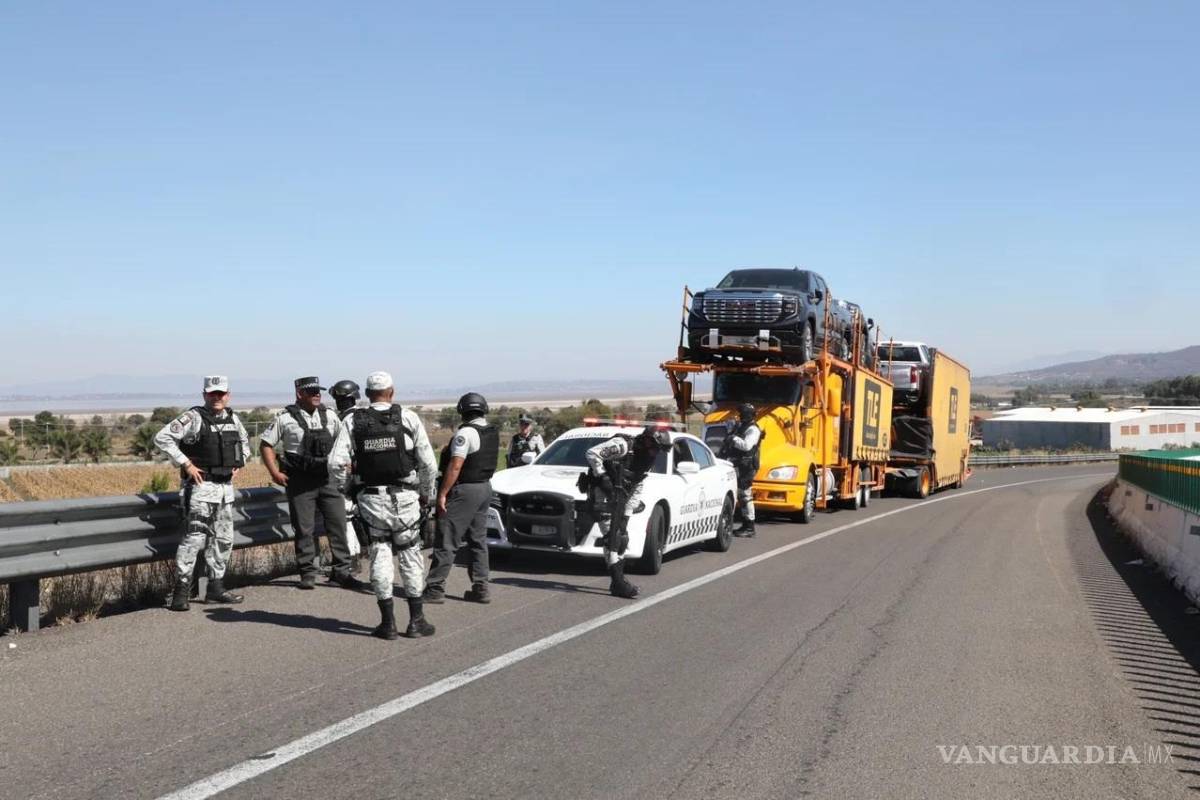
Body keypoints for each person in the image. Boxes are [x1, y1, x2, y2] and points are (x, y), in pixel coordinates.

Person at [328, 371, 439, 640]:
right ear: (392, 392)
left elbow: (334, 463)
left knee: (379, 555)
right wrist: (426, 494)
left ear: (366, 394)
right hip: (406, 498)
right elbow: (428, 464)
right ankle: (416, 621)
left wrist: (346, 489)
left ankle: (387, 624)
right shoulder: (409, 417)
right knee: (410, 555)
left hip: (371, 500)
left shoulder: (354, 421)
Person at [155, 375, 250, 611]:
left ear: (228, 395)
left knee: (224, 540)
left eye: (221, 393)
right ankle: (182, 591)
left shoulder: (233, 418)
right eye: (212, 393)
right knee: (194, 539)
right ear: (204, 395)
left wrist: (239, 461)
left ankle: (216, 588)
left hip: (225, 490)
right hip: (200, 489)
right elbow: (162, 437)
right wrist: (185, 464)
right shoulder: (194, 417)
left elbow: (246, 445)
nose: (217, 397)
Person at [259, 377, 360, 590]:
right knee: (304, 529)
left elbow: (345, 442)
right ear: (299, 394)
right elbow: (266, 444)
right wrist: (274, 472)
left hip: (328, 480)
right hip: (300, 482)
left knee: (338, 526)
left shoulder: (331, 415)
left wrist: (348, 463)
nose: (317, 394)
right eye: (311, 391)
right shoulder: (284, 418)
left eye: (319, 391)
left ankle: (342, 572)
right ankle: (307, 573)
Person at [424, 392, 498, 605]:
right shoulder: (491, 431)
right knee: (478, 541)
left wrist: (443, 493)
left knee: (447, 538)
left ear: (463, 411)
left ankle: (435, 588)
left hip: (465, 490)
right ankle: (481, 588)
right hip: (484, 488)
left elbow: (455, 465)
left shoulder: (465, 433)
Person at [584, 424, 672, 599]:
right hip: (601, 494)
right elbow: (592, 453)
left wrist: (626, 515)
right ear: (647, 440)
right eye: (655, 448)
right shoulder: (623, 445)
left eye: (659, 450)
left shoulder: (647, 460)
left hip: (620, 497)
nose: (656, 453)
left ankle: (618, 581)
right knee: (613, 537)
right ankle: (618, 582)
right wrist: (602, 476)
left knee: (622, 538)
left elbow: (637, 485)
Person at [721, 403, 763, 538]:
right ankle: (745, 524)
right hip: (739, 465)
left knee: (745, 495)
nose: (740, 416)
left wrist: (733, 438)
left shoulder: (753, 429)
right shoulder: (741, 426)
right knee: (740, 495)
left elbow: (746, 446)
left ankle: (749, 526)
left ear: (749, 415)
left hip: (747, 466)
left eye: (743, 414)